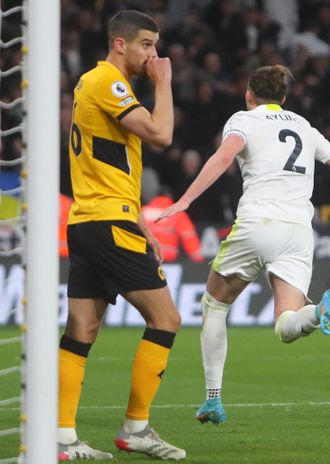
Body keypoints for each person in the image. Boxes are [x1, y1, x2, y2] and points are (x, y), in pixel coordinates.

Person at [156, 65, 330, 425]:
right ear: (284, 98)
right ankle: (317, 314)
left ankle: (213, 399)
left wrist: (185, 200)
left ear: (249, 94)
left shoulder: (242, 120)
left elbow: (223, 156)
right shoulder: (305, 127)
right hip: (298, 231)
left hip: (257, 223)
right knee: (286, 326)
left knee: (215, 304)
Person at [59, 10, 185, 460]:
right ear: (120, 44)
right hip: (107, 222)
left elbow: (111, 164)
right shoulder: (108, 82)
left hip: (94, 219)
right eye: (148, 44)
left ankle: (61, 437)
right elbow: (162, 134)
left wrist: (140, 221)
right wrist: (164, 82)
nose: (155, 54)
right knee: (166, 319)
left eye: (155, 46)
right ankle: (135, 428)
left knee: (82, 329)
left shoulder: (98, 86)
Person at [140, 168, 204, 263]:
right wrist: (199, 261)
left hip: (146, 262)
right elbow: (189, 238)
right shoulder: (176, 213)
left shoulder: (140, 213)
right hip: (170, 265)